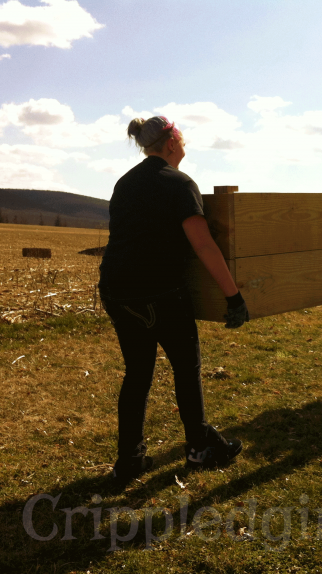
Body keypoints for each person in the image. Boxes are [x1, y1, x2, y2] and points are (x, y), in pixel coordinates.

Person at [99, 116, 249, 487]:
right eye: (182, 139)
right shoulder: (180, 184)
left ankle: (129, 460)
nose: (184, 144)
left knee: (137, 375)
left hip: (118, 292)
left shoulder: (125, 182)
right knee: (186, 367)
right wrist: (234, 295)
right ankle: (200, 448)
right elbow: (203, 244)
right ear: (171, 144)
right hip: (160, 292)